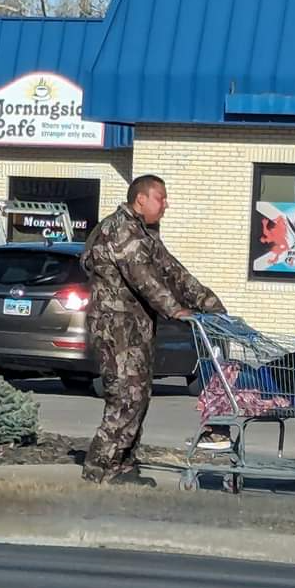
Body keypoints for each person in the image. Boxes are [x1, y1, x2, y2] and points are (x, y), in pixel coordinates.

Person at [81, 174, 227, 486]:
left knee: (140, 395)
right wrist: (175, 310)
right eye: (161, 198)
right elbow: (144, 279)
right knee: (125, 397)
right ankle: (100, 467)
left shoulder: (144, 234)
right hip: (116, 330)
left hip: (137, 329)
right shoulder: (121, 231)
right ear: (141, 199)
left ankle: (123, 463)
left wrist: (210, 303)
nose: (166, 204)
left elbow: (172, 271)